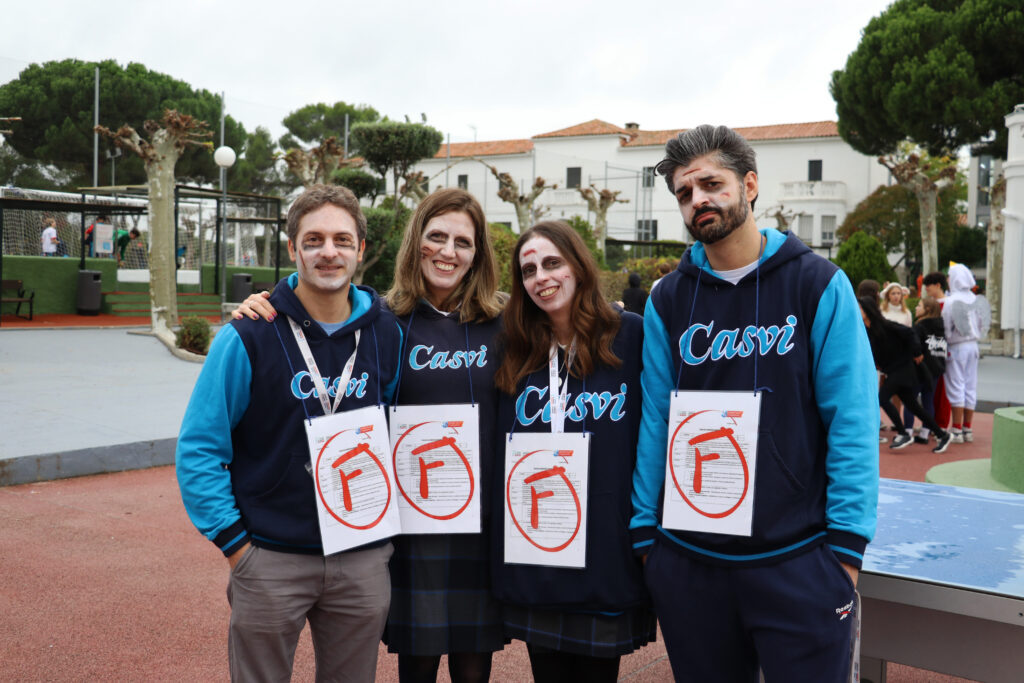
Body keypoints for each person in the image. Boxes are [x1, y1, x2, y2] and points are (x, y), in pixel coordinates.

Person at [630, 124, 878, 682]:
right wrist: (648, 536)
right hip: (690, 563)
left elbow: (853, 419)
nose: (699, 200)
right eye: (684, 193)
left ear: (750, 184)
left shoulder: (818, 284)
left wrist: (844, 551)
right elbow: (655, 418)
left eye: (711, 184)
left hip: (800, 560)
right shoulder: (668, 298)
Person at [234, 188, 508, 683]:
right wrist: (264, 302)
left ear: (478, 253)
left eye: (463, 242)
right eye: (437, 237)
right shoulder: (383, 320)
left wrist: (612, 312)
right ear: (415, 242)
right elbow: (317, 312)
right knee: (417, 664)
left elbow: (566, 324)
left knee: (474, 667)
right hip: (404, 524)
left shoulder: (505, 322)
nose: (448, 251)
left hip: (480, 524)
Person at [176, 184, 404, 682]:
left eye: (343, 240)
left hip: (361, 558)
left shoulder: (388, 331)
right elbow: (199, 448)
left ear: (361, 249)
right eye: (314, 239)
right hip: (270, 557)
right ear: (292, 248)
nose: (329, 251)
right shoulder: (248, 335)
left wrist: (382, 546)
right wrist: (238, 546)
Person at [492, 220, 655, 683]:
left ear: (578, 267)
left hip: (606, 549)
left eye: (552, 263)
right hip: (538, 545)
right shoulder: (514, 346)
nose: (541, 277)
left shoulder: (631, 335)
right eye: (528, 270)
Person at [858, 295, 953, 453]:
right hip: (892, 370)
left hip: (903, 368)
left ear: (868, 311)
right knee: (914, 406)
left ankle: (903, 433)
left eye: (860, 308)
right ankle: (942, 434)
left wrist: (917, 352)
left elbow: (909, 333)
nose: (857, 310)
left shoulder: (884, 324)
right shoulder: (867, 331)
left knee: (881, 398)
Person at [942, 263, 990, 443]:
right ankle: (967, 429)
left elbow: (947, 327)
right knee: (970, 386)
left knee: (956, 385)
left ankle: (956, 430)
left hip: (956, 347)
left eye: (949, 276)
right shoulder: (976, 298)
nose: (947, 279)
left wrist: (946, 340)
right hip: (973, 346)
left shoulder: (951, 301)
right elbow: (982, 324)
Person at [904, 297, 947, 444]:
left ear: (927, 309)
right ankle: (924, 433)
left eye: (919, 305)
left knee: (910, 400)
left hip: (919, 368)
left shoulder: (920, 326)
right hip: (935, 369)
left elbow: (914, 345)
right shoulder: (941, 326)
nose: (916, 308)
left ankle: (907, 431)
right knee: (929, 401)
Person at [922, 271, 952, 431]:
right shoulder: (930, 303)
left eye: (929, 285)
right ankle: (931, 422)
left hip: (942, 351)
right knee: (930, 389)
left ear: (938, 285)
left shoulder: (949, 303)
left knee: (942, 389)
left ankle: (941, 423)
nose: (926, 288)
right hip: (929, 351)